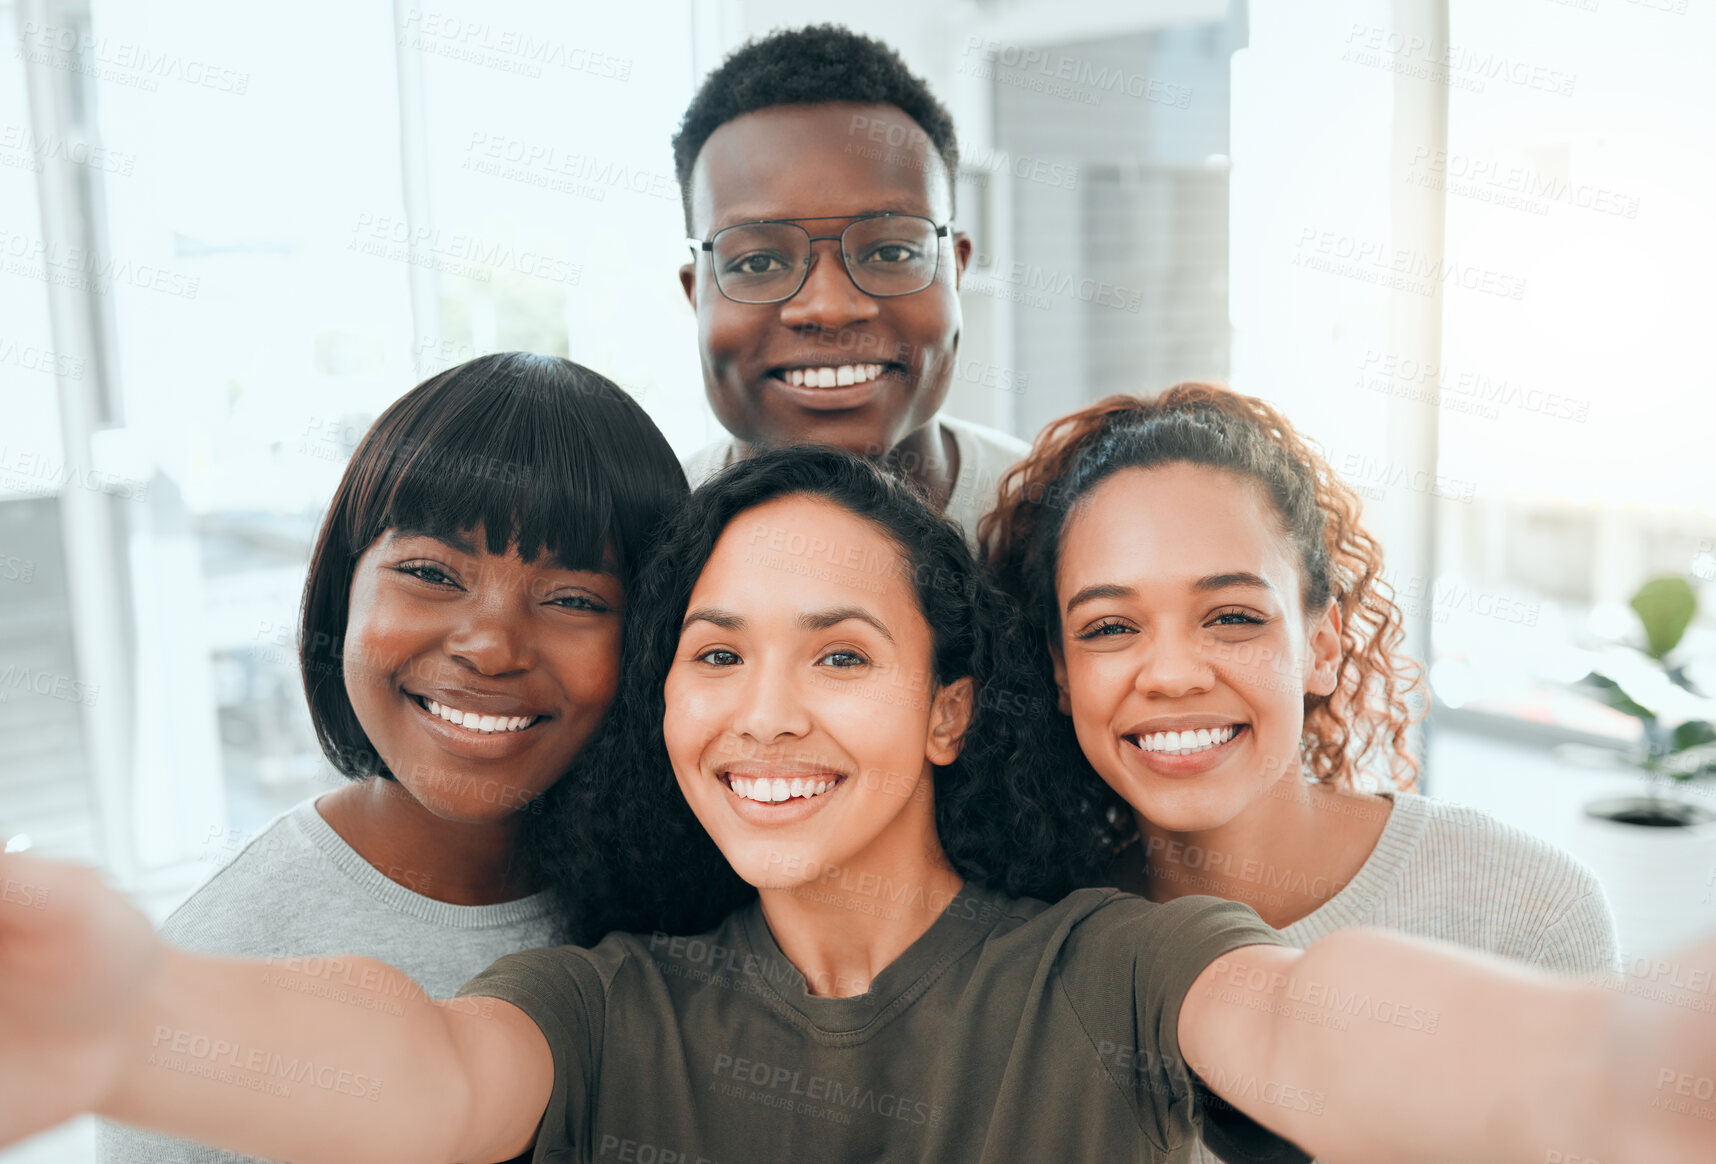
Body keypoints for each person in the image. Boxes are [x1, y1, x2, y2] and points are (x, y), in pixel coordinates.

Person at [7, 448, 1713, 1163]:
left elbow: (1310, 1015)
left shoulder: (1112, 963)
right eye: (714, 652)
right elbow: (423, 1072)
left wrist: (1591, 1066)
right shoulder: (608, 1005)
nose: (763, 710)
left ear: (949, 705)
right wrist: (134, 1016)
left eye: (838, 654)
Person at [979, 385, 1623, 1161]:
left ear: (1322, 645)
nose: (1174, 675)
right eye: (1110, 628)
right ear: (1059, 672)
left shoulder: (1523, 911)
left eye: (1233, 617)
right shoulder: (1033, 940)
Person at [95, 352, 686, 1164]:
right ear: (344, 590)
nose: (491, 647)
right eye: (431, 574)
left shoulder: (699, 892)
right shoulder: (214, 972)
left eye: (574, 600)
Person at [673, 24, 1026, 543]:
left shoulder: (1064, 522)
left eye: (891, 251)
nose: (831, 309)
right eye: (758, 262)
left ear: (955, 269)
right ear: (696, 293)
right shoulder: (631, 542)